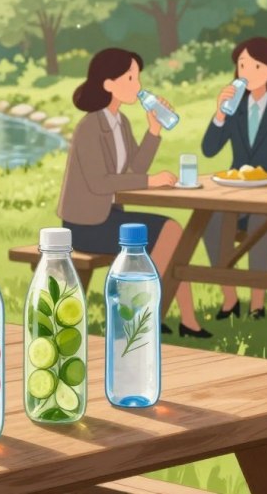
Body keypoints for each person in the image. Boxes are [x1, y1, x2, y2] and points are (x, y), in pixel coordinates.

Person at [58, 48, 211, 338]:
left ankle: (187, 321)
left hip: (110, 217)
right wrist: (151, 182)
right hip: (86, 224)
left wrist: (154, 130)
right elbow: (99, 182)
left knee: (175, 236)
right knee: (171, 231)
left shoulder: (121, 122)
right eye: (130, 78)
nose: (138, 86)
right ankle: (140, 317)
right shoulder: (90, 126)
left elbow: (133, 169)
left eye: (137, 78)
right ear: (108, 84)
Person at [202, 37, 267, 320]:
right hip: (237, 197)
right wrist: (219, 114)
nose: (246, 72)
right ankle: (229, 297)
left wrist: (260, 182)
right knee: (210, 219)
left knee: (261, 220)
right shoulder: (235, 110)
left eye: (255, 66)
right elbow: (209, 149)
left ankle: (258, 302)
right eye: (242, 65)